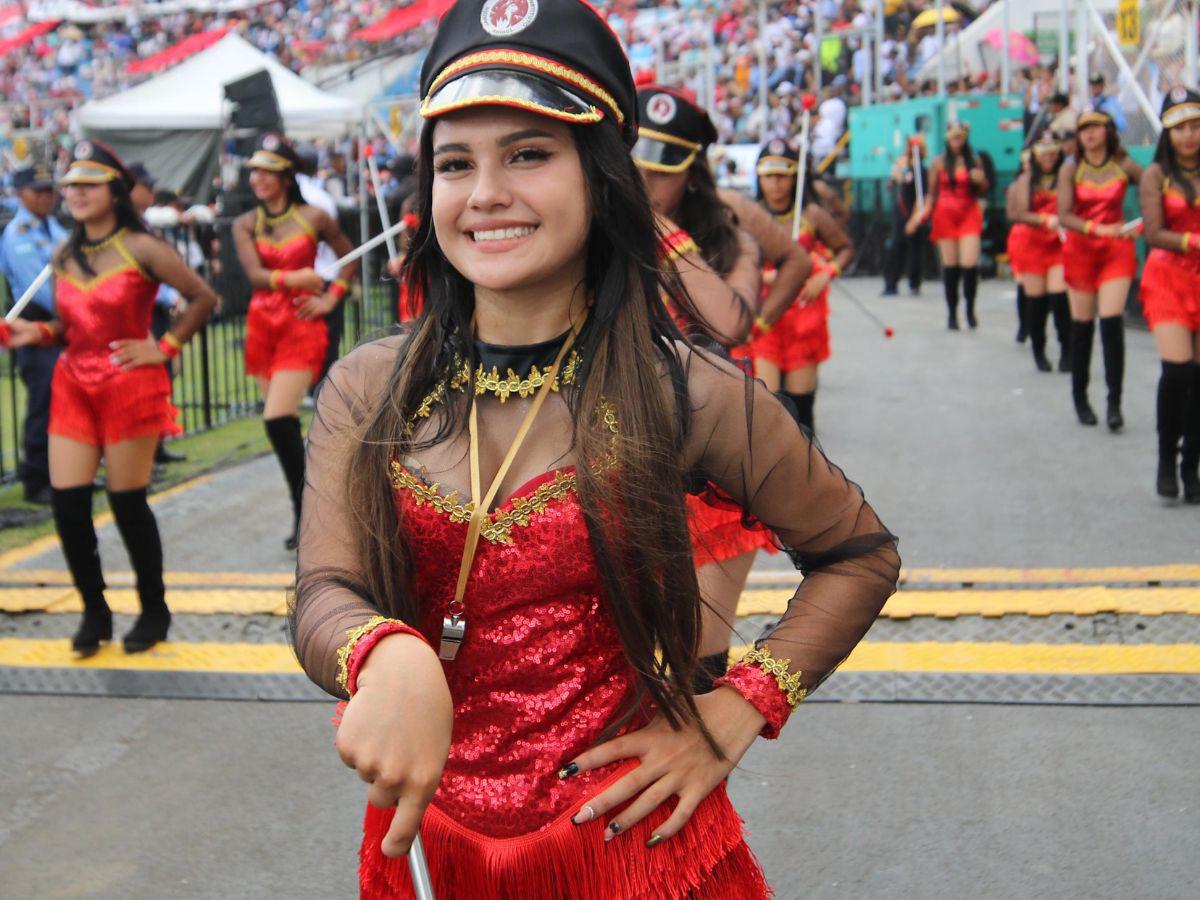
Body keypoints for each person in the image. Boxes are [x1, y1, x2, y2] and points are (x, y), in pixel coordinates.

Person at [290, 1, 899, 896]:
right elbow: (323, 590)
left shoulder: (688, 391)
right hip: (424, 851)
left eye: (528, 154)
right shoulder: (368, 386)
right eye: (456, 164)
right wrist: (381, 650)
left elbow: (859, 555)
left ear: (598, 174)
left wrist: (735, 713)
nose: (485, 192)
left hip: (629, 853)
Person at [1, 141, 217, 655]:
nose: (74, 193)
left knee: (126, 504)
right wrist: (40, 334)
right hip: (73, 384)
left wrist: (163, 347)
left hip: (129, 385)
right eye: (70, 186)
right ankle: (94, 612)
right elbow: (75, 326)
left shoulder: (143, 247)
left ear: (114, 192)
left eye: (87, 184)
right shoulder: (63, 253)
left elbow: (205, 298)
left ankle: (152, 609)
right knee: (68, 506)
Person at [231, 133, 358, 550]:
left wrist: (329, 299)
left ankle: (307, 513)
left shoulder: (314, 216)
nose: (258, 179)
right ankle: (311, 508)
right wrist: (296, 278)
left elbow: (348, 258)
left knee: (275, 416)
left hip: (301, 322)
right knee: (282, 423)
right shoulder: (245, 223)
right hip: (262, 325)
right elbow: (251, 276)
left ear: (286, 176)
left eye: (267, 171)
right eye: (254, 171)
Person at [750, 138, 854, 433]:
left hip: (804, 317)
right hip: (766, 316)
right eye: (769, 176)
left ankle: (806, 471)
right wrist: (761, 276)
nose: (776, 184)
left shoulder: (812, 215)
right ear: (759, 177)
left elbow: (845, 248)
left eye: (782, 175)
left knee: (801, 409)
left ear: (795, 176)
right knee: (768, 405)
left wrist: (826, 273)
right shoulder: (749, 216)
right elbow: (731, 260)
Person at [1057, 108, 1143, 430]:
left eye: (1096, 127)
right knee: (1082, 326)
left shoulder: (1124, 165)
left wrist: (1141, 225)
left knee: (1110, 322)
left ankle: (1114, 403)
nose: (1090, 134)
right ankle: (1080, 397)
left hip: (1116, 250)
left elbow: (1155, 190)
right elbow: (1064, 215)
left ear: (1108, 131)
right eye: (1084, 129)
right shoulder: (1071, 170)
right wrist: (1096, 229)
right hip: (1081, 249)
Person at [1139, 87, 1200, 501]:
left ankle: (1190, 467)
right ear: (1167, 132)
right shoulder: (1156, 174)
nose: (1189, 135)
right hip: (1169, 276)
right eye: (1180, 128)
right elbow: (1154, 230)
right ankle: (1165, 459)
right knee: (1177, 372)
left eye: (1195, 125)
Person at [0, 163, 69, 504]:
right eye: (38, 191)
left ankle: (67, 473)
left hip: (63, 326)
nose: (46, 197)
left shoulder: (53, 227)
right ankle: (37, 478)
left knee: (68, 403)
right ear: (20, 193)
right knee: (44, 400)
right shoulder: (18, 234)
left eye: (49, 190)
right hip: (35, 328)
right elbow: (36, 289)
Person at [129, 162, 188, 466]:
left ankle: (157, 445)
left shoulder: (144, 223)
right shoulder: (130, 228)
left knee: (163, 378)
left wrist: (173, 294)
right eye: (145, 185)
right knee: (144, 382)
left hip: (159, 307)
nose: (150, 190)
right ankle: (144, 454)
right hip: (142, 313)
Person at [912, 120, 988, 330]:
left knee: (970, 263)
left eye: (960, 137)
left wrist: (979, 180)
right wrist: (924, 211)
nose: (957, 141)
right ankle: (952, 312)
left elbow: (983, 189)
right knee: (951, 266)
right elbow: (932, 192)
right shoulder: (939, 162)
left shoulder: (974, 160)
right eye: (954, 137)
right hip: (945, 212)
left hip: (968, 210)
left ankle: (970, 308)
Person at [1008, 132, 1070, 373]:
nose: (1048, 157)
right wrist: (1045, 219)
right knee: (1037, 300)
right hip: (1032, 245)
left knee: (1060, 297)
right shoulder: (1026, 181)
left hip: (1059, 245)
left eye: (1053, 152)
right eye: (1044, 152)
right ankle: (1039, 351)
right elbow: (1018, 213)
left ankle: (1067, 351)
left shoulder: (1066, 176)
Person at [883, 136, 927, 297]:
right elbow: (896, 181)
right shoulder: (905, 168)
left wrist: (915, 219)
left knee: (915, 250)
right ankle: (891, 283)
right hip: (900, 214)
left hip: (913, 214)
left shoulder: (920, 171)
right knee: (896, 247)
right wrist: (898, 168)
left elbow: (921, 196)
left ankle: (914, 282)